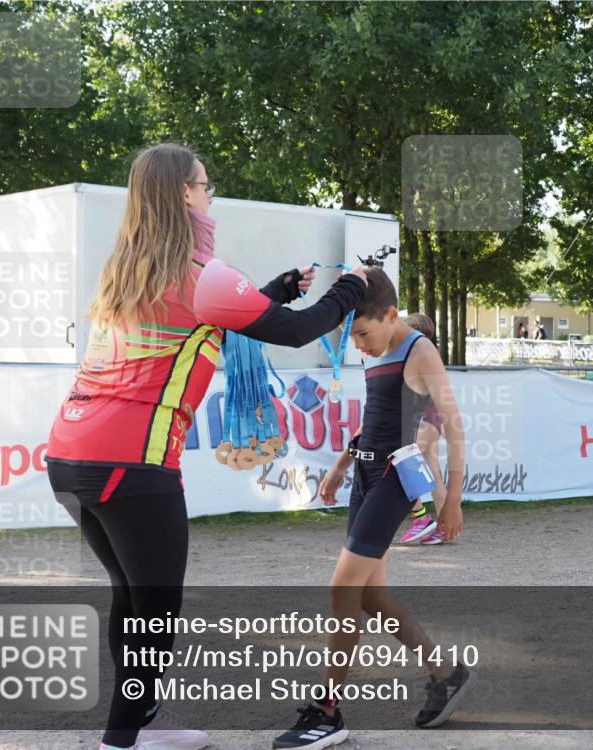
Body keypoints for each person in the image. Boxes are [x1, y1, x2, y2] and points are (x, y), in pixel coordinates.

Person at [44, 143, 368, 750]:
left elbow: (223, 317)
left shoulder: (127, 270)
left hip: (69, 455)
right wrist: (350, 287)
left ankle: (141, 722)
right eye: (205, 186)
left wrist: (274, 289)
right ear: (183, 196)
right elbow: (293, 332)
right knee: (155, 609)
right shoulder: (202, 274)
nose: (210, 196)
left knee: (132, 596)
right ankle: (121, 738)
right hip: (132, 460)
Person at [273, 269, 475, 749]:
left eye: (362, 333)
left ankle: (327, 710)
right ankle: (445, 673)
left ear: (390, 315)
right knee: (369, 598)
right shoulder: (377, 348)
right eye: (352, 336)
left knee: (342, 586)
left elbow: (455, 426)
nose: (358, 344)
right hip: (365, 478)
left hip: (392, 482)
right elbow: (375, 420)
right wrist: (340, 466)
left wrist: (452, 498)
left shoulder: (419, 350)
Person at [397, 313, 451, 546]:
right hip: (432, 417)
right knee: (434, 473)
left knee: (402, 462)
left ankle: (420, 518)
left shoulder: (416, 353)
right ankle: (446, 527)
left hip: (427, 416)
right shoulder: (426, 354)